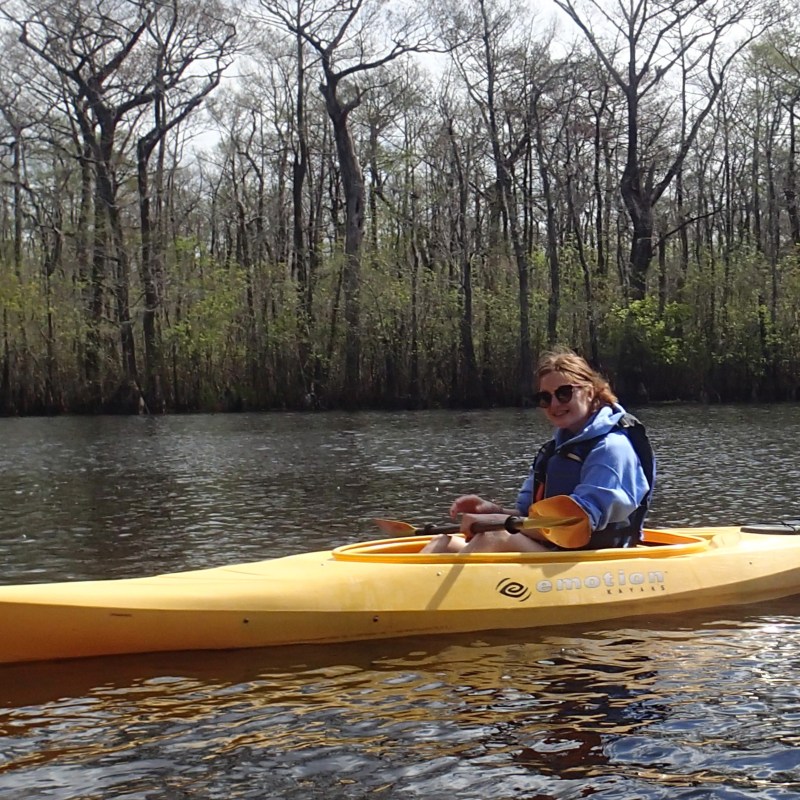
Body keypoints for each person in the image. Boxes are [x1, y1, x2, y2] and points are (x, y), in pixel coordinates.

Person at [422, 348, 655, 553]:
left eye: (564, 393)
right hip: (553, 551)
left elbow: (576, 523)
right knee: (443, 542)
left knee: (495, 536)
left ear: (589, 391)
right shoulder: (553, 450)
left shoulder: (611, 448)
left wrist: (497, 521)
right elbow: (527, 515)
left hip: (591, 557)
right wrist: (494, 510)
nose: (554, 404)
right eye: (545, 397)